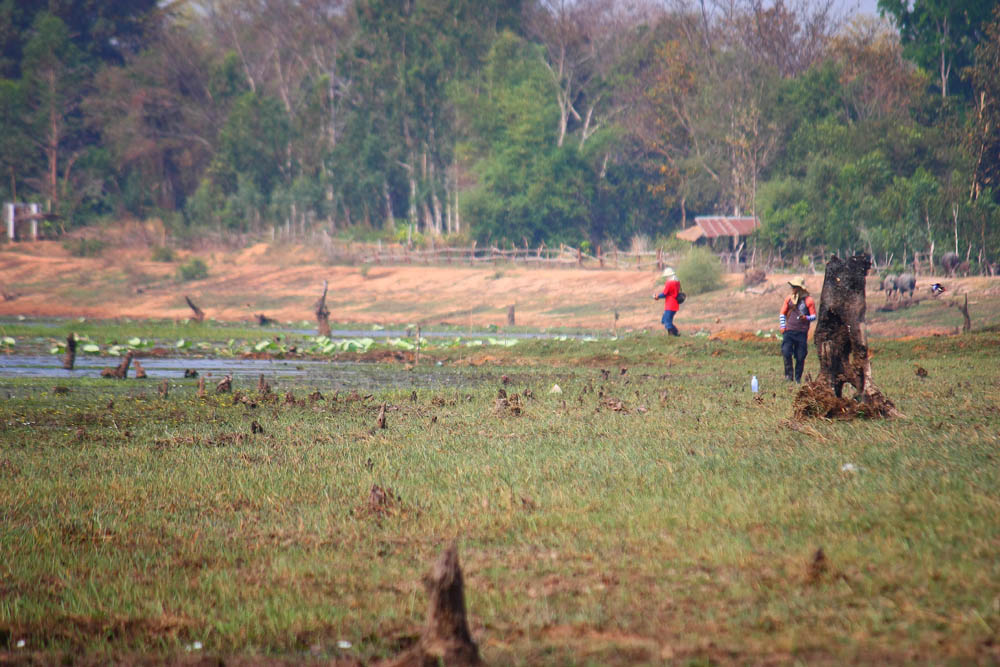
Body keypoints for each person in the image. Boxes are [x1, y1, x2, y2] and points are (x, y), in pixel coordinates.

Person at [779, 277, 816, 382]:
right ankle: (788, 376)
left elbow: (813, 316)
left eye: (795, 287)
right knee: (786, 352)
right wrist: (782, 326)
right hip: (789, 331)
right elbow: (782, 313)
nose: (793, 289)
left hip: (801, 332)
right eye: (793, 287)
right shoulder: (789, 299)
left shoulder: (809, 300)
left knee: (800, 356)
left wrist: (806, 318)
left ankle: (797, 378)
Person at [653, 267, 681, 336]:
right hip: (675, 305)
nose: (666, 278)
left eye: (667, 276)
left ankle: (675, 333)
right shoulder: (677, 282)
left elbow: (664, 294)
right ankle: (673, 334)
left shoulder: (669, 283)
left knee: (666, 321)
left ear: (669, 276)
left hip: (670, 305)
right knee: (667, 320)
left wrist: (657, 296)